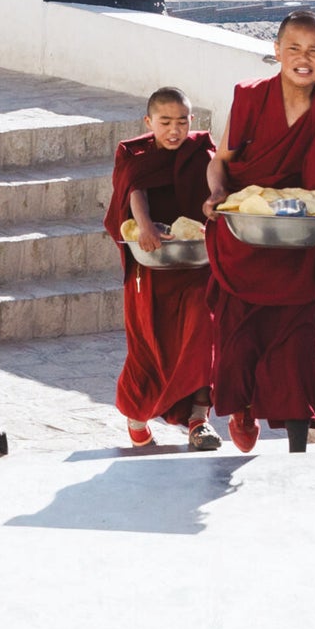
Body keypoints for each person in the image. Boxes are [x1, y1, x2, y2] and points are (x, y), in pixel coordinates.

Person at [203, 9, 315, 455]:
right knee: (239, 345)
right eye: (293, 49)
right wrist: (217, 194)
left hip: (300, 251)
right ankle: (240, 410)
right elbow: (221, 160)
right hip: (247, 244)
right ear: (276, 51)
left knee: (298, 351)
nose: (304, 59)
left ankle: (297, 448)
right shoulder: (251, 98)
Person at [104, 88, 220, 451]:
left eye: (182, 122)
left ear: (191, 121)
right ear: (149, 122)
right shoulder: (134, 152)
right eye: (165, 122)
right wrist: (146, 225)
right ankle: (137, 417)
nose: (175, 130)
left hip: (195, 260)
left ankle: (198, 419)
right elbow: (132, 188)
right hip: (151, 264)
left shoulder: (201, 149)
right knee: (149, 344)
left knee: (203, 333)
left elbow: (218, 185)